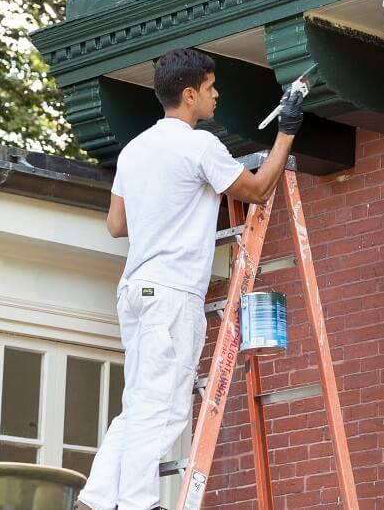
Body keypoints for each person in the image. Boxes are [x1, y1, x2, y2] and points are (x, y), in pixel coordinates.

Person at [75, 48, 306, 510]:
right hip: (171, 293)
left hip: (136, 290)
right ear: (188, 94)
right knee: (165, 408)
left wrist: (164, 207)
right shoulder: (199, 146)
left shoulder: (135, 150)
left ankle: (96, 499)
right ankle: (138, 504)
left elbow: (117, 225)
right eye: (210, 87)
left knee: (141, 402)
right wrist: (287, 130)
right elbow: (258, 189)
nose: (216, 94)